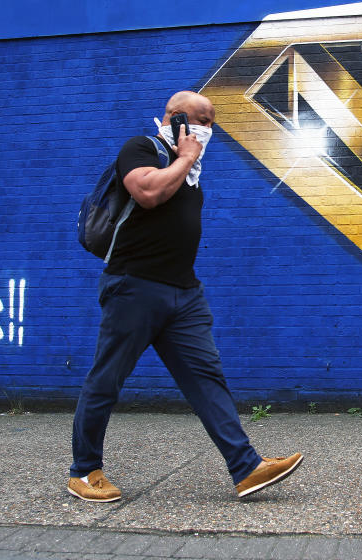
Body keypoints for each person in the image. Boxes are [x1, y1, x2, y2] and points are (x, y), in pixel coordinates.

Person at [68, 91, 302, 502]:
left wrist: (186, 162)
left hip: (184, 294)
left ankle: (246, 468)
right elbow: (146, 193)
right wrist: (185, 158)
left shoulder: (188, 170)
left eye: (212, 123)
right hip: (134, 287)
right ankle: (84, 471)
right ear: (177, 120)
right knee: (107, 380)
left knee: (206, 379)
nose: (209, 130)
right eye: (202, 120)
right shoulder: (141, 148)